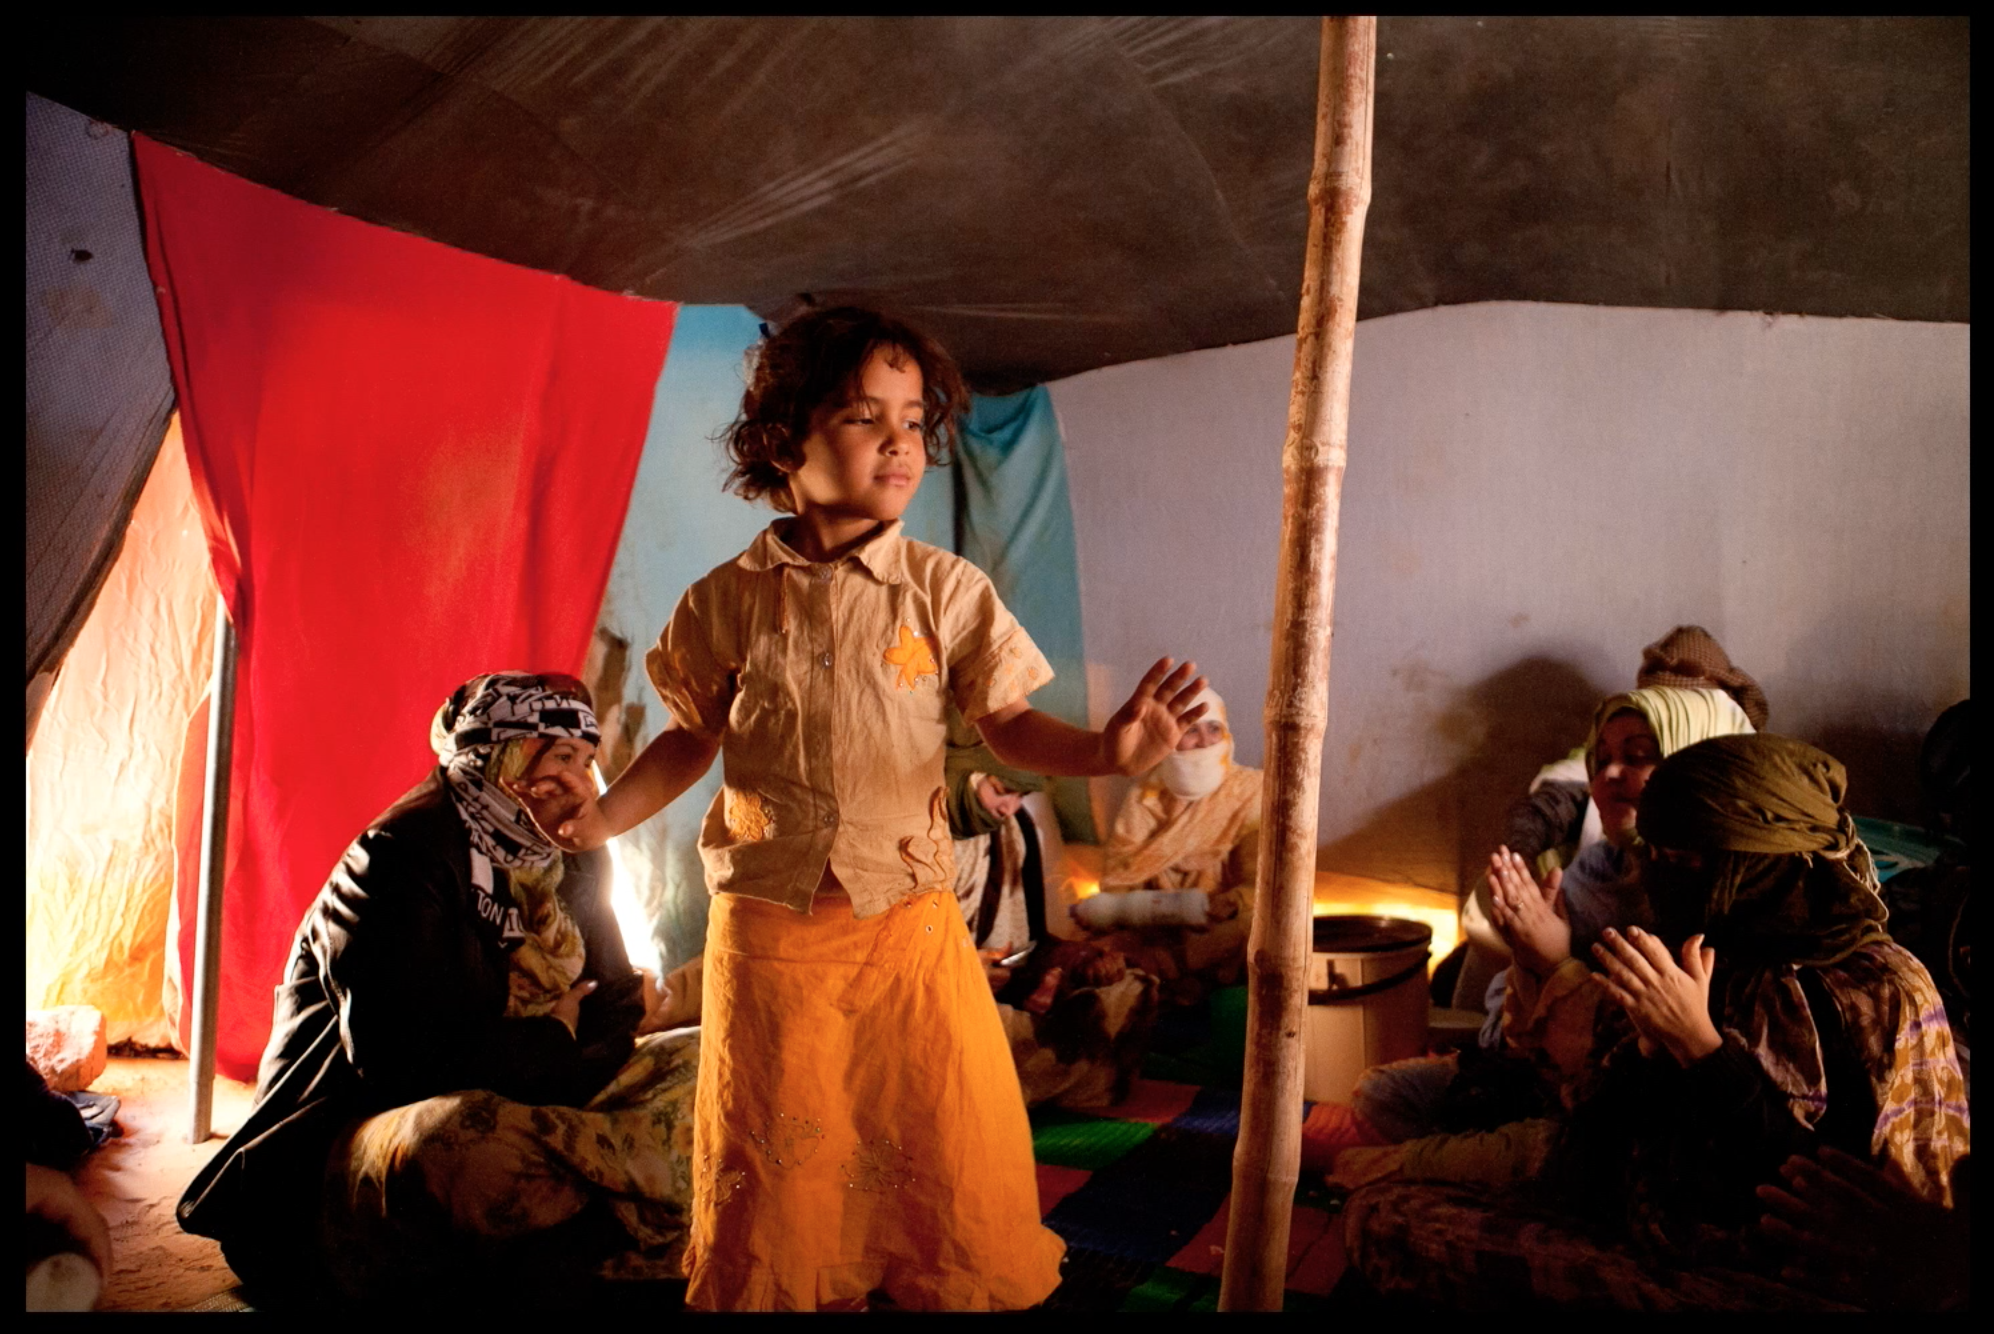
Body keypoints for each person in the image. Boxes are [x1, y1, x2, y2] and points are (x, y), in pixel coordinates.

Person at [517, 306, 1211, 1312]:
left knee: (941, 1141)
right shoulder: (723, 603)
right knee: (784, 1160)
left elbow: (1008, 721)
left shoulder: (945, 590)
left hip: (907, 931)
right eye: (860, 415)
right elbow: (688, 738)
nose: (898, 440)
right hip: (771, 939)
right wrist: (600, 819)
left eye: (913, 420)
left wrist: (1107, 749)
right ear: (781, 440)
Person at [1339, 733, 1971, 1310]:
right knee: (1387, 1204)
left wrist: (1701, 1052)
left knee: (1391, 1222)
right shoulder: (1703, 949)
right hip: (1658, 1229)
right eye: (1655, 853)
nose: (1660, 876)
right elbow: (1595, 1137)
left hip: (1788, 1283)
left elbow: (1822, 1208)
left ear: (1758, 864)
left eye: (1687, 860)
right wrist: (1646, 1051)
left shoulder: (1878, 991)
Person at [176, 673, 701, 1303]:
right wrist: (550, 1037)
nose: (581, 785)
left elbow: (612, 1000)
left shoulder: (575, 848)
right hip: (364, 1129)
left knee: (706, 1068)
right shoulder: (400, 855)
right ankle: (587, 1226)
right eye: (561, 758)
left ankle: (574, 1221)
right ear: (504, 759)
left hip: (540, 1088)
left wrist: (565, 1065)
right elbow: (398, 1061)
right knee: (466, 1141)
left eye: (587, 762)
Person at [1352, 686, 1755, 1142]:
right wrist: (1526, 959)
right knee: (1382, 1095)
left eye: (1639, 756)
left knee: (1550, 1150)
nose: (1609, 776)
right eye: (1600, 761)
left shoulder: (1708, 889)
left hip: (1630, 1118)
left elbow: (1640, 1071)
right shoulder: (1598, 868)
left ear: (1697, 766)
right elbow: (1503, 1039)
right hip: (1546, 1082)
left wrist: (1557, 963)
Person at [944, 725, 1162, 1111]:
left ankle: (1006, 1090)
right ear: (960, 772)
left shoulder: (1014, 828)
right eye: (1000, 789)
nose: (1008, 808)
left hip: (1004, 987)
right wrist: (968, 975)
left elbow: (1028, 944)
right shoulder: (913, 837)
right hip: (939, 996)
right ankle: (991, 1097)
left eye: (1019, 795)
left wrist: (1076, 960)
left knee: (1133, 988)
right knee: (969, 1027)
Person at [1083, 684, 1262, 997]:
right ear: (1168, 736)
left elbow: (1262, 885)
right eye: (1190, 730)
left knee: (1254, 928)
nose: (1204, 741)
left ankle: (1164, 966)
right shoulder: (1146, 795)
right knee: (1096, 943)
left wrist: (1230, 902)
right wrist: (1161, 910)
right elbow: (1116, 882)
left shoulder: (1249, 791)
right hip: (1153, 928)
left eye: (1214, 729)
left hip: (1217, 928)